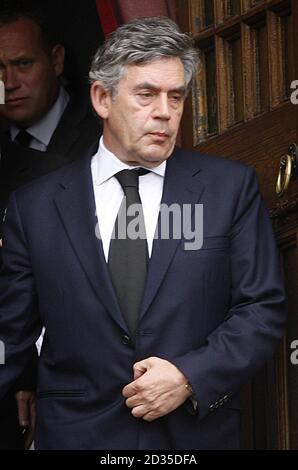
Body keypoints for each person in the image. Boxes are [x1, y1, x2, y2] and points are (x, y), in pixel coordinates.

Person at [0, 17, 286, 450]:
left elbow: (261, 309)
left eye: (176, 96)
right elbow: (11, 336)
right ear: (102, 98)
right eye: (146, 94)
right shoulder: (33, 207)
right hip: (78, 435)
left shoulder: (230, 188)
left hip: (192, 437)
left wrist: (191, 375)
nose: (165, 112)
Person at [0, 3, 101, 449]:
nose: (7, 83)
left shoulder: (107, 135)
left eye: (22, 64)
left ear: (57, 61)